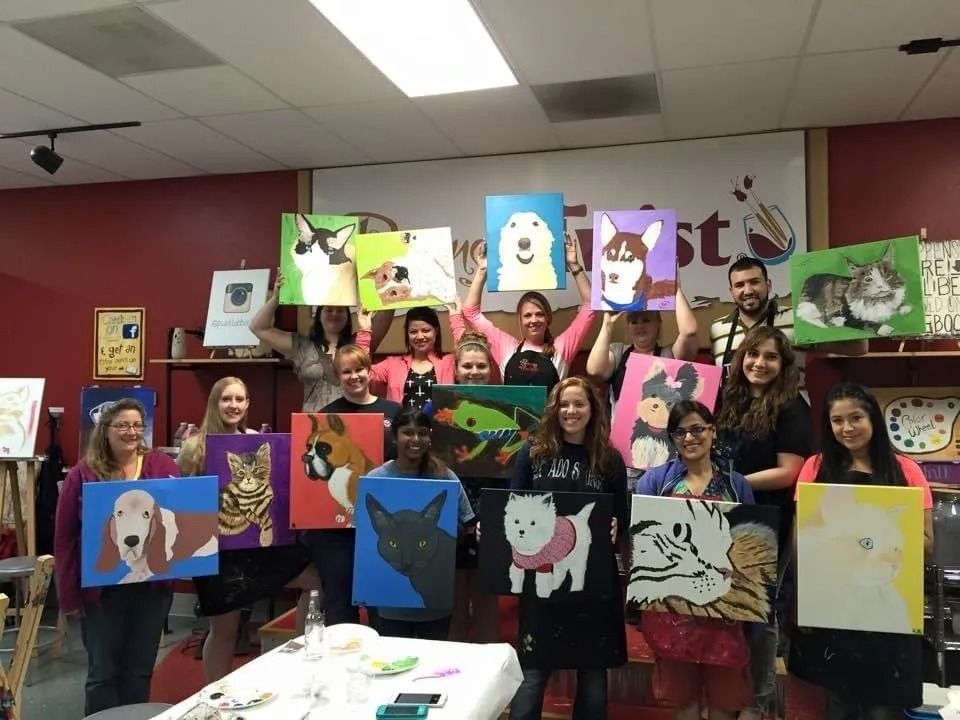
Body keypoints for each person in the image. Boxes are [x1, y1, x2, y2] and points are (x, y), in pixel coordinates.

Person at [789, 382, 934, 720]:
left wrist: (885, 541)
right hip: (833, 609)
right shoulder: (815, 467)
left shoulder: (906, 471)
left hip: (889, 617)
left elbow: (926, 544)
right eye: (837, 421)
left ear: (873, 419)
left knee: (883, 711)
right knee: (839, 705)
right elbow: (802, 539)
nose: (847, 428)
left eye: (856, 417)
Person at [177, 377, 318, 682]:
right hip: (220, 554)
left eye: (240, 399)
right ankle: (214, 696)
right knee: (225, 632)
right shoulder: (194, 446)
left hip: (259, 547)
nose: (234, 405)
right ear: (215, 402)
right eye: (227, 399)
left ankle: (299, 662)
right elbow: (183, 502)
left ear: (247, 404)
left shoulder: (255, 441)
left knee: (318, 581)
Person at [508, 377, 628, 720]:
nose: (571, 411)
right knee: (533, 670)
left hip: (591, 580)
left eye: (579, 404)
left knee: (592, 672)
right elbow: (514, 506)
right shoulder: (532, 454)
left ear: (593, 410)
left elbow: (621, 514)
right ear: (554, 409)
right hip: (541, 578)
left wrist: (617, 523)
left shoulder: (610, 459)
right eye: (564, 404)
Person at [54, 398, 180, 715]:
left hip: (151, 589)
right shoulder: (83, 473)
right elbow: (65, 539)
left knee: (139, 671)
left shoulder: (164, 468)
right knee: (103, 675)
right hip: (102, 593)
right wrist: (69, 598)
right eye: (123, 425)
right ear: (105, 430)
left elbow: (180, 519)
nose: (131, 431)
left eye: (138, 425)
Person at [714, 326, 811, 720]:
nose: (760, 363)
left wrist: (733, 483)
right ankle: (729, 693)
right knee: (727, 605)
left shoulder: (792, 408)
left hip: (769, 520)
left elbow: (790, 471)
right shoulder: (728, 399)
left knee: (761, 613)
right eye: (753, 355)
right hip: (726, 515)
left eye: (771, 357)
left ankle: (757, 703)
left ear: (783, 364)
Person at [636, 400, 755, 720]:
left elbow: (752, 547)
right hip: (672, 614)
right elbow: (641, 544)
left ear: (712, 431)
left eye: (697, 429)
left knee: (725, 703)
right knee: (684, 701)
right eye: (680, 432)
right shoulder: (655, 483)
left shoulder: (736, 485)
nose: (689, 438)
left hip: (725, 614)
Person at [300, 344, 402, 627]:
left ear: (369, 371)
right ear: (337, 376)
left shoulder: (394, 412)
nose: (354, 376)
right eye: (347, 371)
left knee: (384, 602)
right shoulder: (326, 417)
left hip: (381, 522)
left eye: (359, 369)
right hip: (334, 531)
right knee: (339, 602)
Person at [366, 408, 476, 640]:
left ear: (430, 437)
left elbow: (467, 521)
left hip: (435, 601)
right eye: (408, 433)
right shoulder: (376, 479)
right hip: (388, 602)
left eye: (422, 433)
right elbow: (365, 533)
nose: (415, 439)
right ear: (395, 436)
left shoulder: (445, 476)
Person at [463, 237, 596, 391]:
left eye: (539, 314)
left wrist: (573, 265)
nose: (534, 320)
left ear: (548, 318)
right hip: (512, 415)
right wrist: (482, 270)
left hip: (551, 416)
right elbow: (470, 312)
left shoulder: (562, 348)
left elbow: (591, 306)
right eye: (527, 315)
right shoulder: (505, 347)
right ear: (520, 319)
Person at [248, 270, 392, 411]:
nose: (334, 314)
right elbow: (258, 327)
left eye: (340, 310)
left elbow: (386, 312)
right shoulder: (302, 346)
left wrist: (387, 283)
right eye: (329, 309)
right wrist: (276, 298)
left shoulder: (359, 343)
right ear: (319, 315)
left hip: (352, 423)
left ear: (348, 316)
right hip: (314, 425)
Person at [710, 257, 866, 384]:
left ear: (768, 285)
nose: (748, 290)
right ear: (731, 292)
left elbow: (857, 347)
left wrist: (855, 301)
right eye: (739, 285)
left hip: (788, 418)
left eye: (754, 282)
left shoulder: (798, 318)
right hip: (735, 420)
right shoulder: (718, 329)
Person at [445, 331, 502, 643]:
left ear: (490, 369)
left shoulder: (504, 405)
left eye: (481, 366)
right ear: (456, 369)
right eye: (467, 366)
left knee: (485, 599)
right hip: (450, 511)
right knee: (452, 598)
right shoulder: (441, 406)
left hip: (489, 511)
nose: (474, 372)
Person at [586, 283, 699, 417]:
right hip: (622, 434)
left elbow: (689, 332)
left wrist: (676, 289)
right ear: (628, 327)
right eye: (634, 322)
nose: (640, 325)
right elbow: (594, 371)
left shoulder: (669, 354)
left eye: (646, 320)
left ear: (658, 323)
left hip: (662, 433)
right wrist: (607, 324)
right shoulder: (617, 352)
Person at [356, 300, 466, 410]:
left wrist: (457, 320)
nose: (420, 336)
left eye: (426, 330)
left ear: (436, 330)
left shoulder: (449, 362)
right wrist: (364, 331)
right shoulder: (392, 364)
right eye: (413, 332)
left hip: (440, 425)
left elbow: (466, 352)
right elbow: (361, 372)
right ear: (407, 334)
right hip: (402, 426)